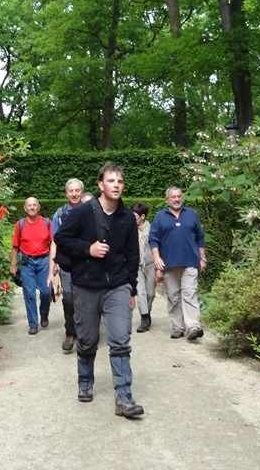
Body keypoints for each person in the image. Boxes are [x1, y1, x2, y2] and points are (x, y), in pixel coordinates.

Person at [54, 162, 143, 418]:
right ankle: (85, 380)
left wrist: (132, 289)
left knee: (120, 340)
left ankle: (124, 397)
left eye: (120, 182)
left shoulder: (127, 217)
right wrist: (87, 249)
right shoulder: (83, 212)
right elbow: (62, 238)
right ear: (101, 185)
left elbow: (132, 255)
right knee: (88, 338)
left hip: (117, 286)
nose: (116, 185)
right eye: (111, 181)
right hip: (86, 285)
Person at [149, 186, 206, 340]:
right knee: (173, 296)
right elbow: (153, 239)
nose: (177, 199)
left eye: (179, 196)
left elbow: (200, 237)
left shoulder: (191, 214)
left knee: (189, 293)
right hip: (169, 264)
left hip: (190, 262)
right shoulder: (160, 216)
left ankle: (193, 326)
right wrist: (157, 259)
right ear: (167, 199)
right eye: (173, 197)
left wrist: (202, 258)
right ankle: (177, 327)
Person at [47, 178, 84, 351]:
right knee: (68, 298)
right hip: (68, 264)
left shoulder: (91, 211)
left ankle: (86, 332)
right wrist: (52, 267)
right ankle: (70, 333)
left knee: (86, 299)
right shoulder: (59, 215)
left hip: (88, 264)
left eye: (77, 190)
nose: (74, 193)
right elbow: (54, 242)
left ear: (82, 192)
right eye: (71, 191)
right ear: (66, 193)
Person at [10, 197, 53, 335]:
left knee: (46, 292)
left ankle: (44, 314)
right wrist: (13, 265)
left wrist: (55, 263)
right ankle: (33, 324)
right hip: (27, 263)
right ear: (25, 208)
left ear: (39, 207)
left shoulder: (47, 223)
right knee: (29, 294)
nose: (32, 207)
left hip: (44, 261)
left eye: (35, 205)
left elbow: (53, 245)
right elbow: (15, 247)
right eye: (29, 205)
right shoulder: (20, 224)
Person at [130, 202, 155, 333]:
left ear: (143, 216)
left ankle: (148, 311)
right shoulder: (130, 230)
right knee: (140, 292)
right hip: (137, 265)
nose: (132, 218)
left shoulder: (153, 229)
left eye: (134, 216)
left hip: (151, 264)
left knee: (150, 293)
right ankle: (144, 318)